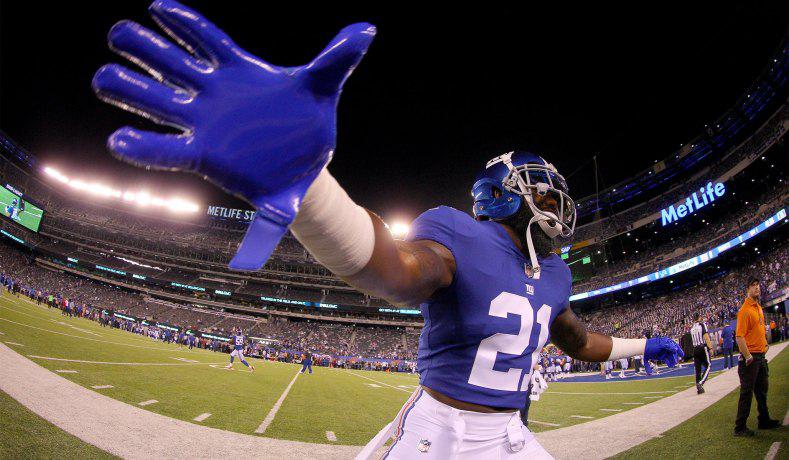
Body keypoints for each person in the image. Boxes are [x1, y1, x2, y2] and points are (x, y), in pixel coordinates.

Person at [92, 3, 684, 457]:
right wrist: (311, 187)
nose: (558, 202)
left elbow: (578, 341)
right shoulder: (457, 236)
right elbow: (395, 272)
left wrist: (639, 346)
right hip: (439, 435)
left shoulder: (555, 273)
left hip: (509, 435)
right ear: (504, 198)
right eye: (545, 190)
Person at [733, 277, 780, 436]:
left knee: (762, 391)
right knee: (746, 393)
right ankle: (739, 428)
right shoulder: (745, 310)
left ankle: (764, 420)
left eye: (758, 285)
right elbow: (739, 337)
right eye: (753, 286)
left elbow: (757, 331)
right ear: (747, 289)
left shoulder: (758, 307)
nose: (757, 288)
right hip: (751, 358)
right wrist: (748, 356)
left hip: (760, 356)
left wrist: (764, 345)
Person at [689, 314, 712, 394]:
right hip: (702, 347)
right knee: (708, 365)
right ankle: (700, 383)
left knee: (697, 370)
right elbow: (706, 336)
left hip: (695, 349)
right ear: (699, 318)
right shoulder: (702, 325)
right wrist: (710, 348)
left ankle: (699, 389)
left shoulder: (692, 328)